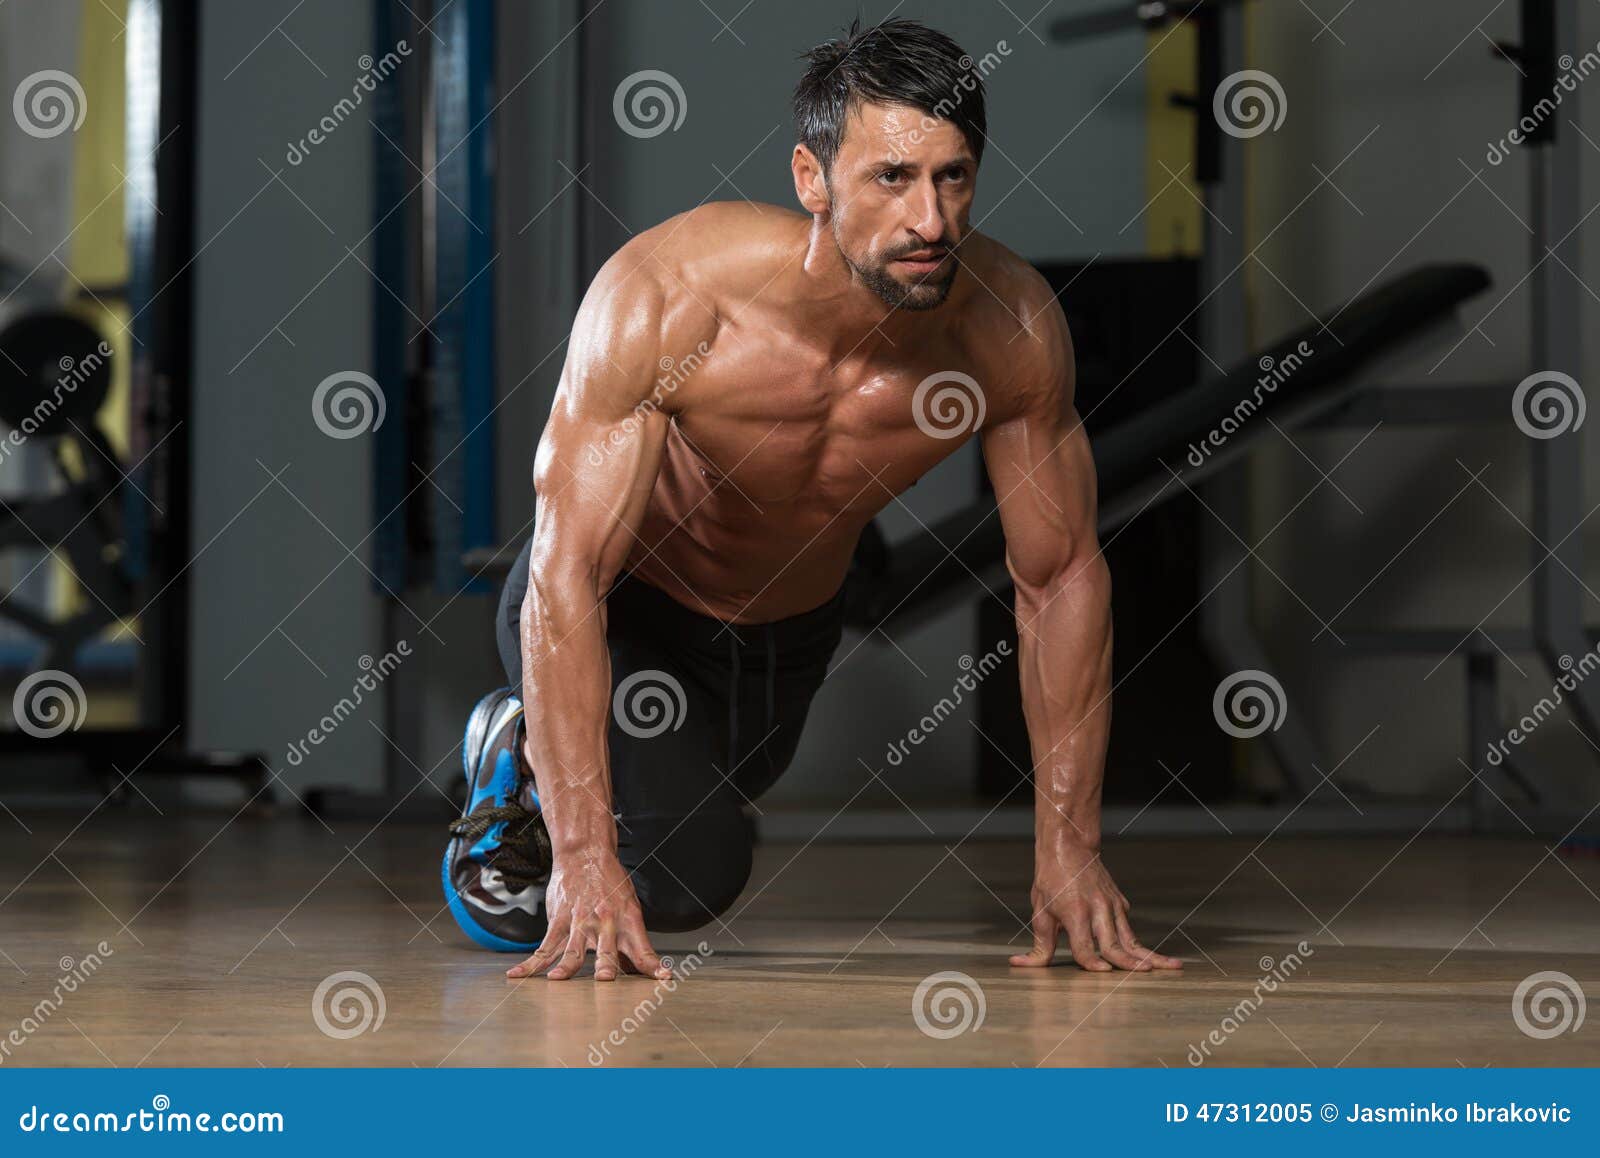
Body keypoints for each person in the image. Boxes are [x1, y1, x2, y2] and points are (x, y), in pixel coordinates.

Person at [442, 17, 1183, 982]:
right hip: (624, 606)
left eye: (952, 176)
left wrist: (1070, 850)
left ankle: (589, 780)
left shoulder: (1008, 330)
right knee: (685, 881)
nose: (931, 221)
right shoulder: (673, 297)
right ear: (811, 178)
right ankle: (517, 745)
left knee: (721, 795)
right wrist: (584, 859)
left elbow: (1061, 578)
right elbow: (567, 573)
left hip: (784, 639)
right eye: (891, 178)